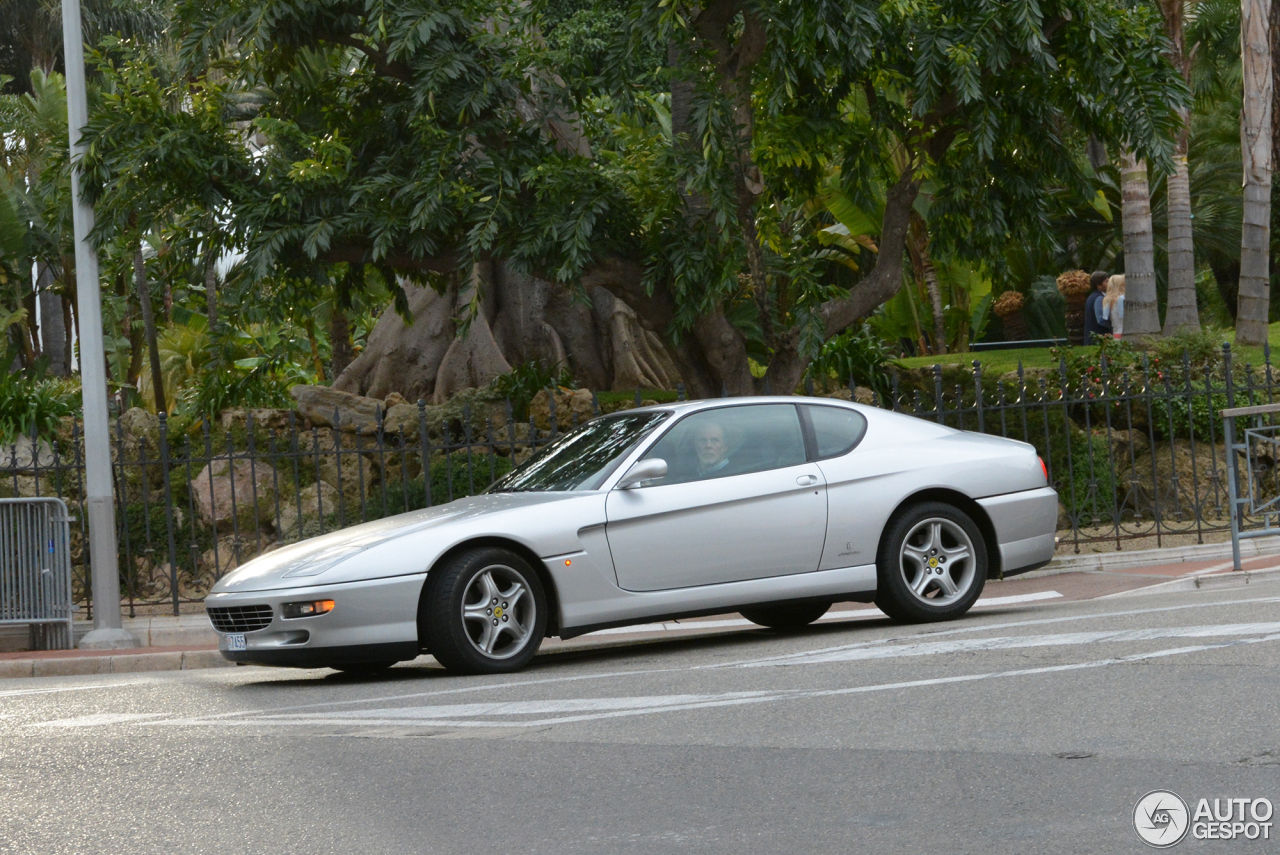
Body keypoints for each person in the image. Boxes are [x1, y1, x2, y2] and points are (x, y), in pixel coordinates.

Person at [1083, 270, 1112, 344]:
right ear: (1098, 285)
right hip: (1097, 338)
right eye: (1106, 281)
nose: (1109, 283)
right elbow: (1101, 319)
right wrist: (1113, 326)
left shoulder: (1092, 296)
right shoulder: (1099, 298)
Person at [1102, 274, 1125, 339]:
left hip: (1116, 333)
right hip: (1125, 333)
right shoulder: (1122, 299)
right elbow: (1123, 316)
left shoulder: (1107, 299)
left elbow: (1105, 317)